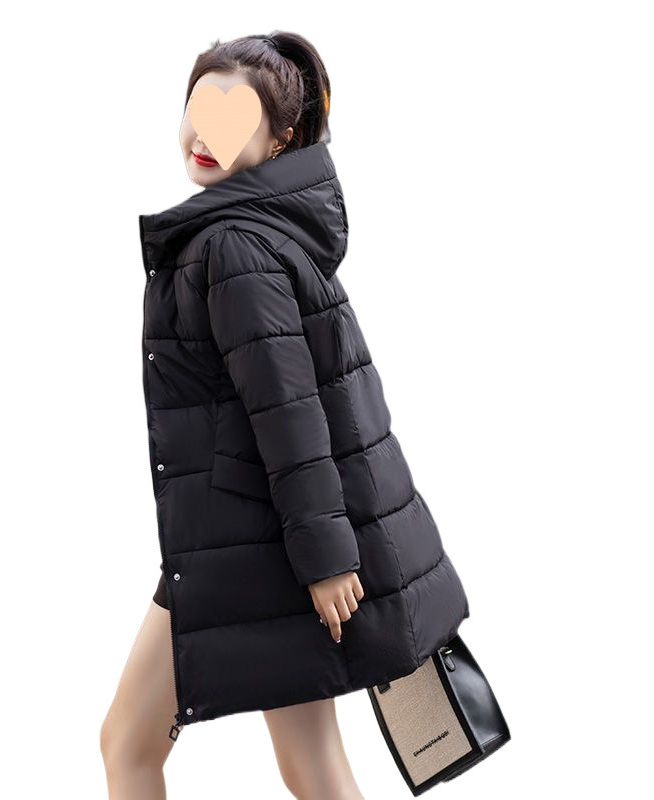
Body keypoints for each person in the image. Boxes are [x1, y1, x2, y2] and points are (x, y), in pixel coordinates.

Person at [101, 31, 469, 800]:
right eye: (199, 107)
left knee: (131, 747)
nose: (204, 133)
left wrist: (327, 560)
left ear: (280, 138)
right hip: (267, 535)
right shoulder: (260, 234)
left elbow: (289, 411)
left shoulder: (233, 246)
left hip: (267, 545)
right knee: (308, 765)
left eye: (233, 117)